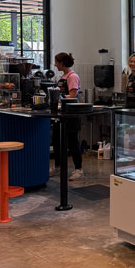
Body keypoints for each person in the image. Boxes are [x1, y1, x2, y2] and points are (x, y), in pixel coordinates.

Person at [51, 52, 83, 181]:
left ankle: (79, 169)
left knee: (72, 142)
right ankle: (58, 166)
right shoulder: (63, 76)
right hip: (61, 113)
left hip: (71, 113)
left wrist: (58, 97)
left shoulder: (72, 77)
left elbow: (73, 95)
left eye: (56, 62)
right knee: (57, 141)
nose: (55, 65)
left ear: (62, 63)